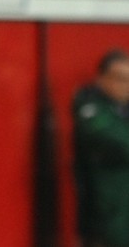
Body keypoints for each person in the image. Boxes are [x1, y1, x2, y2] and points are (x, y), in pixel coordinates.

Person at [72, 49, 129, 247]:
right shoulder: (91, 108)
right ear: (102, 79)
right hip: (104, 213)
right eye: (120, 79)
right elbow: (120, 144)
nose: (126, 86)